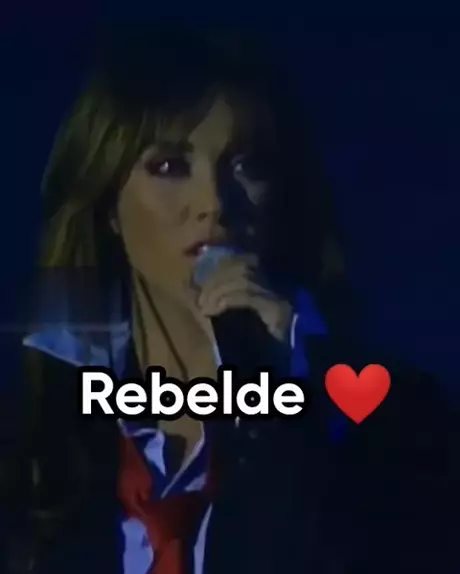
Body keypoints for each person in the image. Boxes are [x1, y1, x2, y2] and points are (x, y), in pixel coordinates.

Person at [0, 25, 458, 574]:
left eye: (247, 166)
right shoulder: (37, 444)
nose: (215, 202)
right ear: (108, 207)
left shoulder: (394, 422)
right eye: (170, 166)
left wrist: (291, 392)